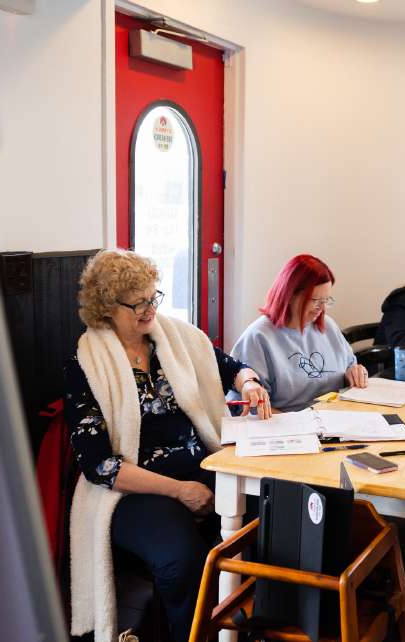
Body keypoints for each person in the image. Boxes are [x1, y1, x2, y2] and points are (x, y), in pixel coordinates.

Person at [63, 249, 271, 642]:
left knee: (273, 517)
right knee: (180, 559)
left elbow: (231, 366)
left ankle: (251, 626)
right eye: (137, 303)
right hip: (134, 488)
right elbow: (100, 467)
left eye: (153, 297)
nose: (149, 310)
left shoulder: (175, 339)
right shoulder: (85, 364)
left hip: (202, 465)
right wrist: (180, 491)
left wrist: (249, 383)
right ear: (107, 308)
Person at [231, 254, 369, 412]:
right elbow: (251, 407)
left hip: (334, 419)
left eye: (326, 301)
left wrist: (353, 372)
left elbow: (349, 365)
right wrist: (297, 424)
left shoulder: (328, 326)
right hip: (287, 427)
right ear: (290, 296)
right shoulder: (258, 337)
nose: (322, 309)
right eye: (316, 300)